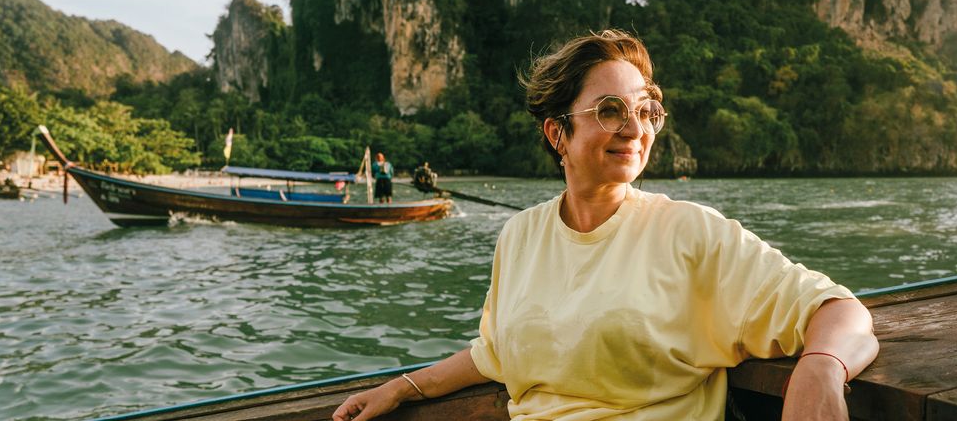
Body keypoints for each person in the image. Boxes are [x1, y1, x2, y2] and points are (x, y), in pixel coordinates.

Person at [333, 30, 878, 421]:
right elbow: (493, 353)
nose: (634, 128)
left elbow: (838, 309)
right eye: (611, 110)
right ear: (557, 133)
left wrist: (822, 368)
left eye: (646, 111)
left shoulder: (687, 231)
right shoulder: (521, 236)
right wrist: (401, 388)